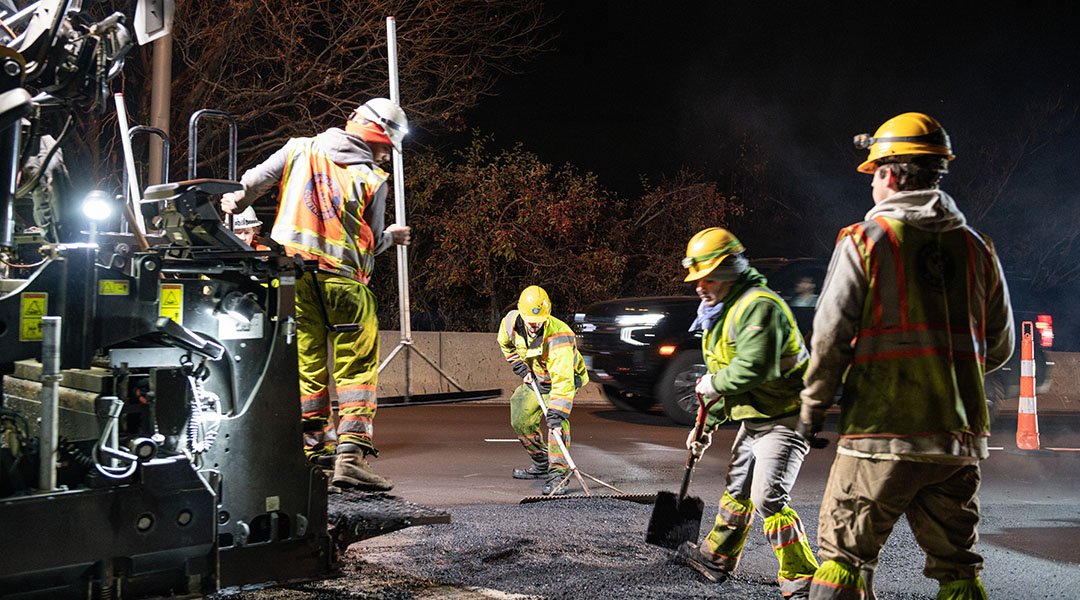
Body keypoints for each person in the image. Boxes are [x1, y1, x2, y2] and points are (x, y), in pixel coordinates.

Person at [797, 112, 1014, 600]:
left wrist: (810, 413)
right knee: (958, 568)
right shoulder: (979, 249)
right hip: (957, 440)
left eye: (874, 172)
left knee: (844, 559)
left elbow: (829, 338)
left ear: (889, 175)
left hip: (881, 433)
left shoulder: (866, 241)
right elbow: (999, 346)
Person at [220, 98, 411, 491]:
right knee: (356, 372)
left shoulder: (299, 148)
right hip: (345, 284)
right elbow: (371, 245)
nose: (383, 155)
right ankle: (351, 457)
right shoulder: (373, 180)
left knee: (307, 363)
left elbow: (252, 183)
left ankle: (314, 448)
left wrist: (235, 201)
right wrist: (393, 236)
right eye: (384, 148)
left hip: (295, 281)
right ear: (377, 137)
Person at [675, 227, 819, 598]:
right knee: (736, 490)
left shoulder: (759, 307)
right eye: (697, 279)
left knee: (767, 496)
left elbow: (755, 369)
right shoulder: (719, 316)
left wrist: (712, 382)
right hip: (755, 418)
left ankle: (802, 580)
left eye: (706, 278)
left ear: (727, 272)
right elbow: (731, 387)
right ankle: (716, 558)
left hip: (787, 418)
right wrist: (704, 428)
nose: (699, 286)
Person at [497, 285, 589, 496]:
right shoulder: (510, 323)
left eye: (539, 321)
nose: (535, 325)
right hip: (537, 376)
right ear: (521, 313)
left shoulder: (559, 336)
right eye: (530, 320)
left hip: (564, 379)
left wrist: (556, 414)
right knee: (520, 417)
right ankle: (540, 463)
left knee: (557, 425)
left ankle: (559, 474)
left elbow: (562, 381)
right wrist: (519, 366)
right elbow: (505, 344)